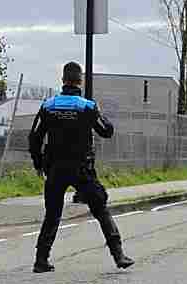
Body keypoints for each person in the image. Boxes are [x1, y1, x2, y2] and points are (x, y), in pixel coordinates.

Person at [28, 61, 133, 273]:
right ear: (80, 81)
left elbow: (34, 137)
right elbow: (106, 131)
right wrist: (99, 114)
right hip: (82, 169)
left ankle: (41, 260)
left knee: (53, 214)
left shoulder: (48, 106)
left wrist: (38, 163)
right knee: (100, 209)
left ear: (63, 80)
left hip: (55, 168)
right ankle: (118, 255)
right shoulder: (87, 106)